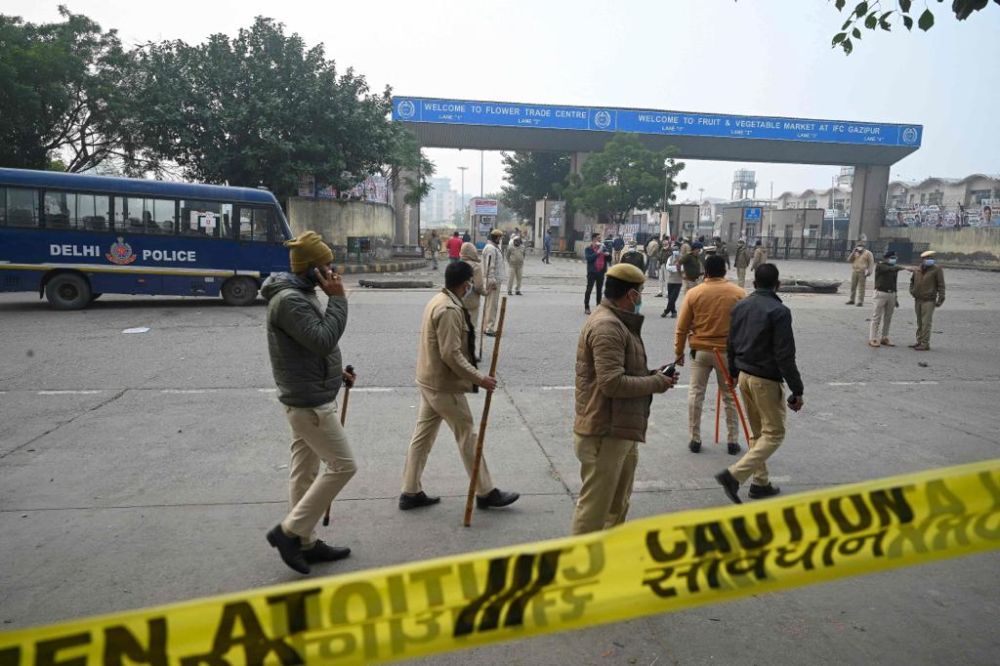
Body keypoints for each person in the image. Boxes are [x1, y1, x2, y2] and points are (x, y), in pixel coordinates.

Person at [261, 231, 356, 574]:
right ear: (313, 269)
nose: (333, 272)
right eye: (327, 266)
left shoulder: (301, 294)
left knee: (305, 472)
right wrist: (339, 299)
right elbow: (322, 338)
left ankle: (306, 542)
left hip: (312, 394)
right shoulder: (289, 300)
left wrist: (336, 375)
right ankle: (289, 532)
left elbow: (312, 346)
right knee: (344, 466)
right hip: (309, 403)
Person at [399, 262, 520, 512]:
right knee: (467, 435)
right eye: (470, 283)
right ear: (465, 284)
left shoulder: (438, 300)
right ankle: (486, 491)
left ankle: (410, 491)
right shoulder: (449, 309)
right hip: (443, 386)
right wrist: (480, 378)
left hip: (429, 381)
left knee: (422, 438)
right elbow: (451, 355)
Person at [571, 263, 678, 534]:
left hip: (620, 429)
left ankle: (605, 561)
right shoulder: (608, 326)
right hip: (603, 430)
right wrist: (656, 382)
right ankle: (579, 567)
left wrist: (653, 374)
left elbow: (622, 371)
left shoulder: (619, 321)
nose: (642, 298)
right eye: (640, 292)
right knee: (594, 511)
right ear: (631, 295)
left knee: (616, 506)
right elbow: (611, 383)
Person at [715, 264, 804, 504]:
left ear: (754, 284)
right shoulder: (779, 311)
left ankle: (760, 482)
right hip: (766, 379)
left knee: (757, 433)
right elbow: (785, 354)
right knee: (774, 433)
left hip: (744, 375)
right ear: (778, 284)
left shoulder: (740, 306)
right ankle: (735, 475)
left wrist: (732, 374)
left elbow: (730, 343)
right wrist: (797, 389)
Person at [675, 255, 746, 456]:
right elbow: (745, 326)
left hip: (701, 351)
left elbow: (681, 328)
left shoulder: (694, 293)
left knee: (696, 393)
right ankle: (732, 441)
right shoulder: (739, 293)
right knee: (730, 396)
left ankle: (694, 438)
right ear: (724, 271)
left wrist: (678, 352)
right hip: (727, 353)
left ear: (704, 272)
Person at [868, 250, 912, 348]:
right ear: (886, 258)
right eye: (892, 258)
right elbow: (888, 269)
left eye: (895, 258)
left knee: (888, 317)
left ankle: (884, 337)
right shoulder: (880, 266)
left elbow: (894, 282)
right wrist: (904, 268)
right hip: (880, 293)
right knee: (876, 317)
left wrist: (895, 297)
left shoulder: (894, 268)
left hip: (891, 293)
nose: (894, 259)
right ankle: (873, 338)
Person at [909, 250, 946, 351]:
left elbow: (941, 285)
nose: (930, 260)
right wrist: (912, 291)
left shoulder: (937, 269)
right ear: (923, 259)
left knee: (926, 322)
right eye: (928, 258)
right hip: (918, 299)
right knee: (920, 322)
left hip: (929, 300)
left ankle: (925, 343)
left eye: (931, 258)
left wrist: (940, 299)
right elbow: (912, 281)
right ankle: (919, 341)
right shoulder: (918, 269)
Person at [481, 229, 506, 336]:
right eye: (500, 238)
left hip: (494, 279)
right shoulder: (491, 249)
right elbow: (490, 266)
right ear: (496, 238)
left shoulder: (493, 248)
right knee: (492, 305)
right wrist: (492, 281)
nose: (500, 240)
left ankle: (486, 326)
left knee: (489, 305)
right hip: (493, 281)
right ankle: (489, 328)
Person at [459, 242, 486, 338]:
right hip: (472, 300)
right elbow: (478, 286)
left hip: (458, 300)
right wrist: (485, 293)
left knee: (460, 327)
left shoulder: (458, 264)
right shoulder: (475, 267)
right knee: (471, 327)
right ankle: (468, 350)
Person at [584, 232, 611, 315]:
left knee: (599, 290)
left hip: (601, 272)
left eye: (600, 238)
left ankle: (598, 307)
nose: (600, 239)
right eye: (598, 238)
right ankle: (587, 307)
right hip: (592, 272)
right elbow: (589, 259)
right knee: (589, 289)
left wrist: (608, 254)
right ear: (594, 239)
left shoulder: (603, 248)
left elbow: (609, 259)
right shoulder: (588, 249)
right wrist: (598, 252)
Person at [659, 243, 683, 318]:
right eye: (674, 250)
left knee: (673, 297)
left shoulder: (682, 258)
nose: (675, 251)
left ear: (678, 250)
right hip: (670, 281)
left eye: (676, 250)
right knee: (670, 297)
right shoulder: (670, 258)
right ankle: (674, 312)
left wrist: (674, 268)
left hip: (678, 281)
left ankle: (666, 311)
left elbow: (682, 268)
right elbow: (668, 267)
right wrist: (676, 268)